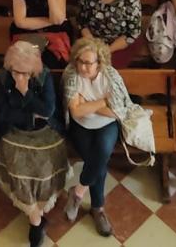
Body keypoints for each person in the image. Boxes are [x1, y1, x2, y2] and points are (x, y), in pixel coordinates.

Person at [0, 40, 70, 247]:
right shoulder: (3, 77)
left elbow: (48, 110)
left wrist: (24, 93)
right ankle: (36, 218)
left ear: (33, 69)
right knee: (18, 166)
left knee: (43, 167)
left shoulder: (44, 76)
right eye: (16, 72)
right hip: (15, 130)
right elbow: (6, 112)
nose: (20, 77)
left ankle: (37, 211)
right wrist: (31, 111)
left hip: (46, 130)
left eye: (25, 73)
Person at [60, 37, 133, 237]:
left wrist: (87, 104)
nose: (83, 67)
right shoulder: (71, 74)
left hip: (106, 126)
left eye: (88, 63)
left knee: (100, 152)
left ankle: (79, 191)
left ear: (99, 62)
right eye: (80, 61)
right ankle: (98, 209)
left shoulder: (111, 76)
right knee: (98, 160)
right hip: (80, 127)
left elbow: (118, 112)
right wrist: (102, 102)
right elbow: (75, 113)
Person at [74, 0, 144, 68]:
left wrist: (107, 50)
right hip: (91, 37)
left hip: (117, 42)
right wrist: (93, 43)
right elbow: (81, 20)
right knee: (84, 64)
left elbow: (132, 33)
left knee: (105, 68)